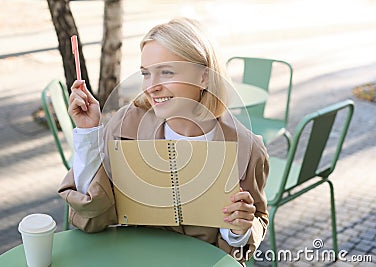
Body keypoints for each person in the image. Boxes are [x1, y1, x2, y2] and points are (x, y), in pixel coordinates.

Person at [58, 17, 269, 265]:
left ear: (203, 77)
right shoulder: (125, 127)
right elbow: (90, 216)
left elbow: (255, 223)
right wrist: (87, 134)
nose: (151, 87)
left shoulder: (246, 148)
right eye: (146, 74)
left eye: (166, 72)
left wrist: (236, 231)